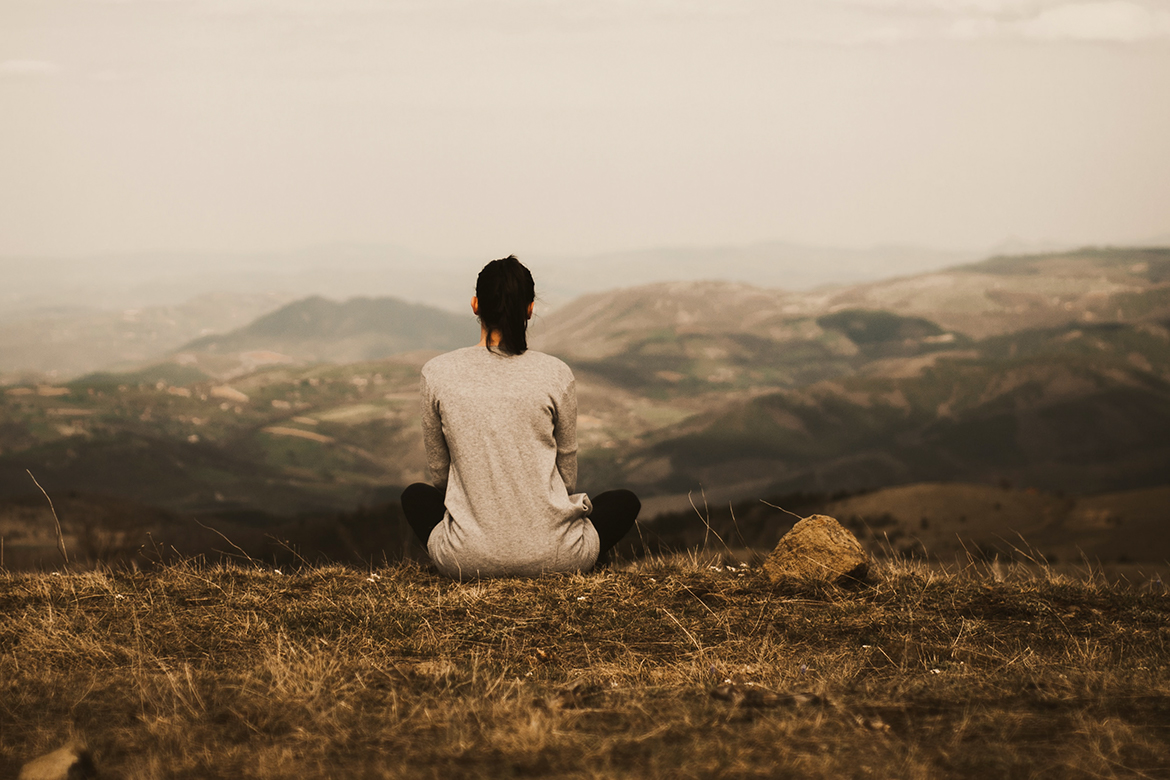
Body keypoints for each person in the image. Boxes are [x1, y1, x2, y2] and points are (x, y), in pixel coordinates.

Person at [400, 256, 640, 579]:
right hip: (558, 556)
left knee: (414, 497)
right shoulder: (557, 374)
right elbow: (567, 478)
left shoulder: (436, 373)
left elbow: (440, 477)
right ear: (529, 309)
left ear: (475, 305)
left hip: (467, 560)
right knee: (624, 502)